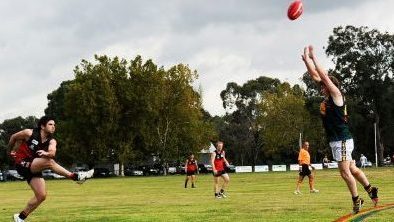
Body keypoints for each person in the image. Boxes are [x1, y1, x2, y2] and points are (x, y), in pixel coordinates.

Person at [302, 45, 378, 214]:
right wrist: (307, 61)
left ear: (331, 85)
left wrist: (314, 58)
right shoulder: (328, 96)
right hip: (339, 140)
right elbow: (316, 76)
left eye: (324, 85)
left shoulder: (336, 95)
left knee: (344, 172)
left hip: (341, 140)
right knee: (351, 169)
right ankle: (370, 189)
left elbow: (322, 76)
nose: (322, 87)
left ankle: (356, 200)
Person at [8, 116, 94, 222]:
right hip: (22, 163)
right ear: (42, 126)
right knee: (48, 162)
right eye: (50, 124)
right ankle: (76, 177)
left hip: (34, 165)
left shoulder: (52, 141)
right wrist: (11, 150)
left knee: (41, 195)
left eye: (54, 125)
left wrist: (47, 153)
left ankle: (20, 218)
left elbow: (52, 152)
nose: (53, 126)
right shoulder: (29, 133)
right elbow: (13, 137)